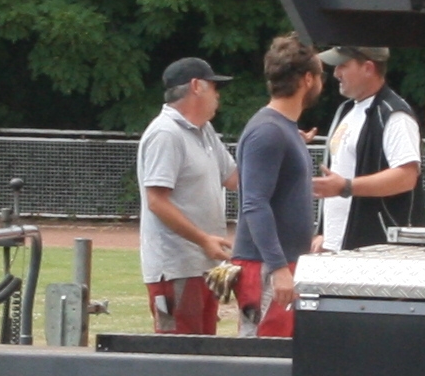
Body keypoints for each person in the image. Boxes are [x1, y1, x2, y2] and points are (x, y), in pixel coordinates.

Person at [229, 33, 346, 338]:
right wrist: (278, 267)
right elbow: (254, 203)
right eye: (320, 75)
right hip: (267, 267)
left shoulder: (281, 130)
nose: (324, 82)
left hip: (280, 264)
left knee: (283, 361)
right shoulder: (269, 131)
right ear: (308, 79)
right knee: (264, 361)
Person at [137, 57, 238, 334]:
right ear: (196, 86)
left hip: (201, 266)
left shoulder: (204, 131)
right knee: (179, 357)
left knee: (203, 355)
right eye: (214, 87)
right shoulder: (165, 134)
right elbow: (156, 201)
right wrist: (203, 239)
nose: (218, 95)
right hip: (175, 268)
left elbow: (235, 179)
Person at [319, 44, 425, 253]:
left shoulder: (395, 115)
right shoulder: (346, 109)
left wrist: (346, 187)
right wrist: (324, 232)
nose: (336, 73)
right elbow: (339, 174)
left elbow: (406, 177)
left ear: (368, 68)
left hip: (376, 250)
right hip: (337, 247)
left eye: (343, 65)